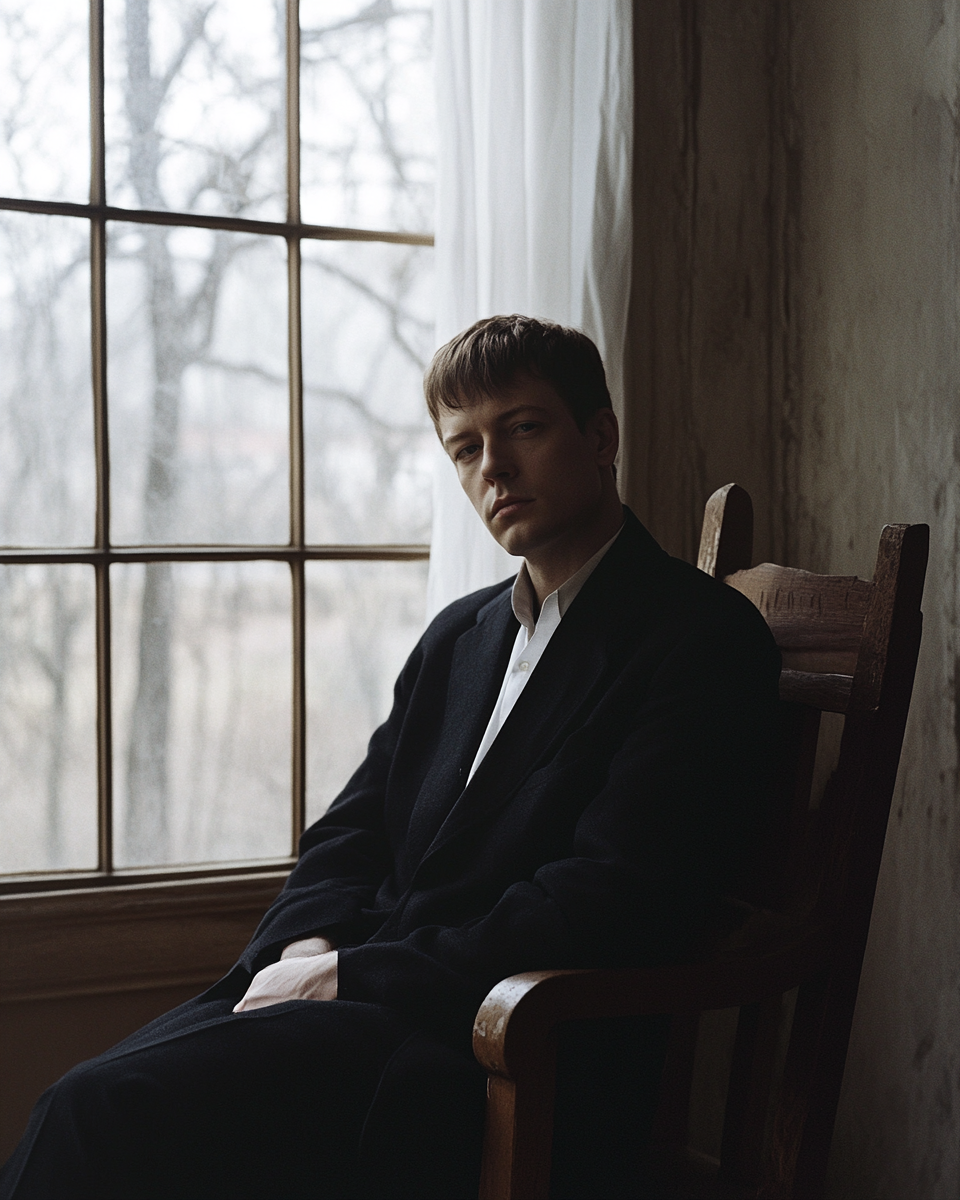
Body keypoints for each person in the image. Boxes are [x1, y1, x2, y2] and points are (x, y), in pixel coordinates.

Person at [0, 315, 780, 1200]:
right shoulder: (461, 637)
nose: (493, 467)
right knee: (74, 1106)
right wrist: (310, 945)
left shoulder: (698, 639)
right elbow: (350, 830)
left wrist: (354, 976)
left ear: (599, 437)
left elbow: (608, 901)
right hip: (359, 1001)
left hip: (496, 1050)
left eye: (522, 428)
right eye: (465, 447)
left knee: (98, 1120)